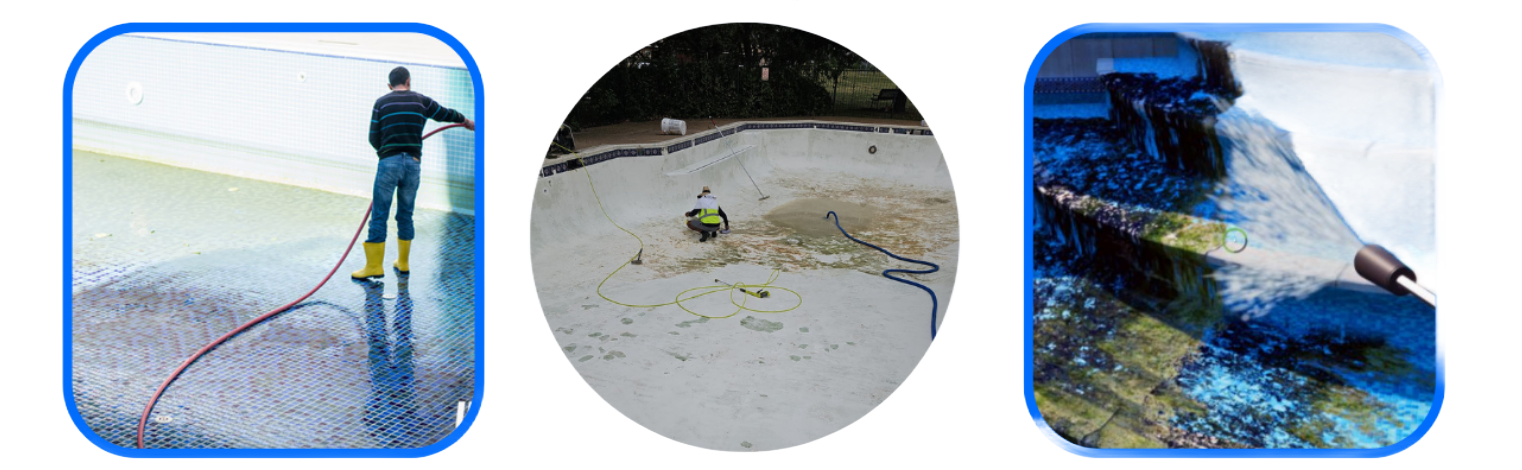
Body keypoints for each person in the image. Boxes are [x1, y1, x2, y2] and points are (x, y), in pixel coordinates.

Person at [353, 66, 475, 279]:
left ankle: (374, 266)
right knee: (406, 214)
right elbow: (445, 113)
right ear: (408, 81)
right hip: (413, 164)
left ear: (390, 86)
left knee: (380, 213)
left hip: (388, 162)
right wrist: (465, 121)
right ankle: (403, 262)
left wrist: (385, 153)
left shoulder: (381, 103)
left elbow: (373, 137)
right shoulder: (421, 101)